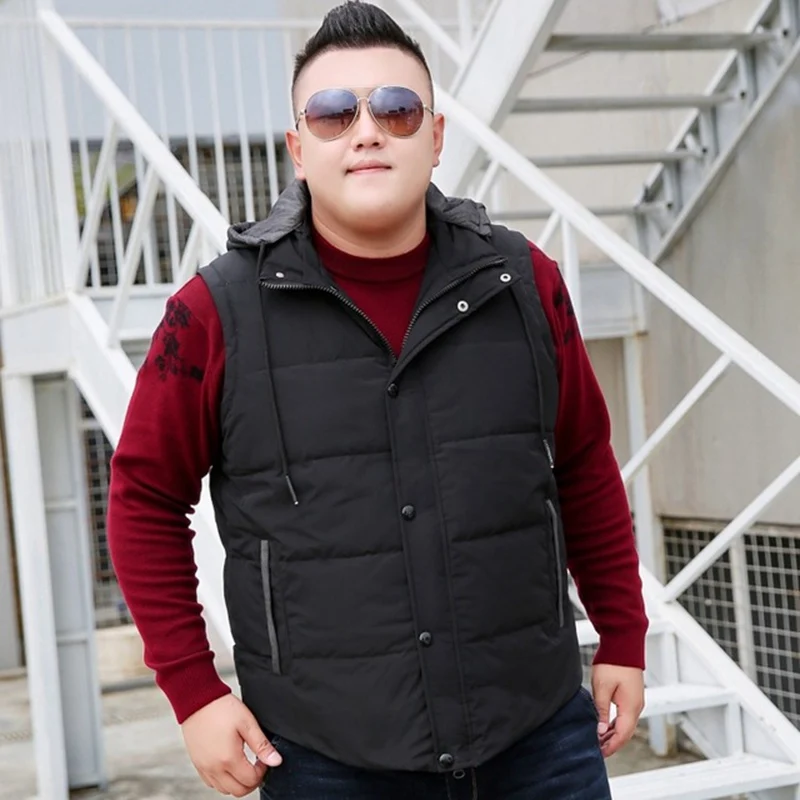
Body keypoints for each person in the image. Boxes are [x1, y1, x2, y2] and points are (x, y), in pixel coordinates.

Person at [108, 2, 648, 797]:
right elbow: (143, 500)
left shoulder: (524, 283)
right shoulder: (213, 314)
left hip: (536, 739)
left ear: (436, 136)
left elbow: (583, 465)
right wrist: (194, 690)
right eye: (333, 114)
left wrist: (623, 634)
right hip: (327, 758)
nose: (366, 132)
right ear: (298, 148)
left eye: (397, 110)